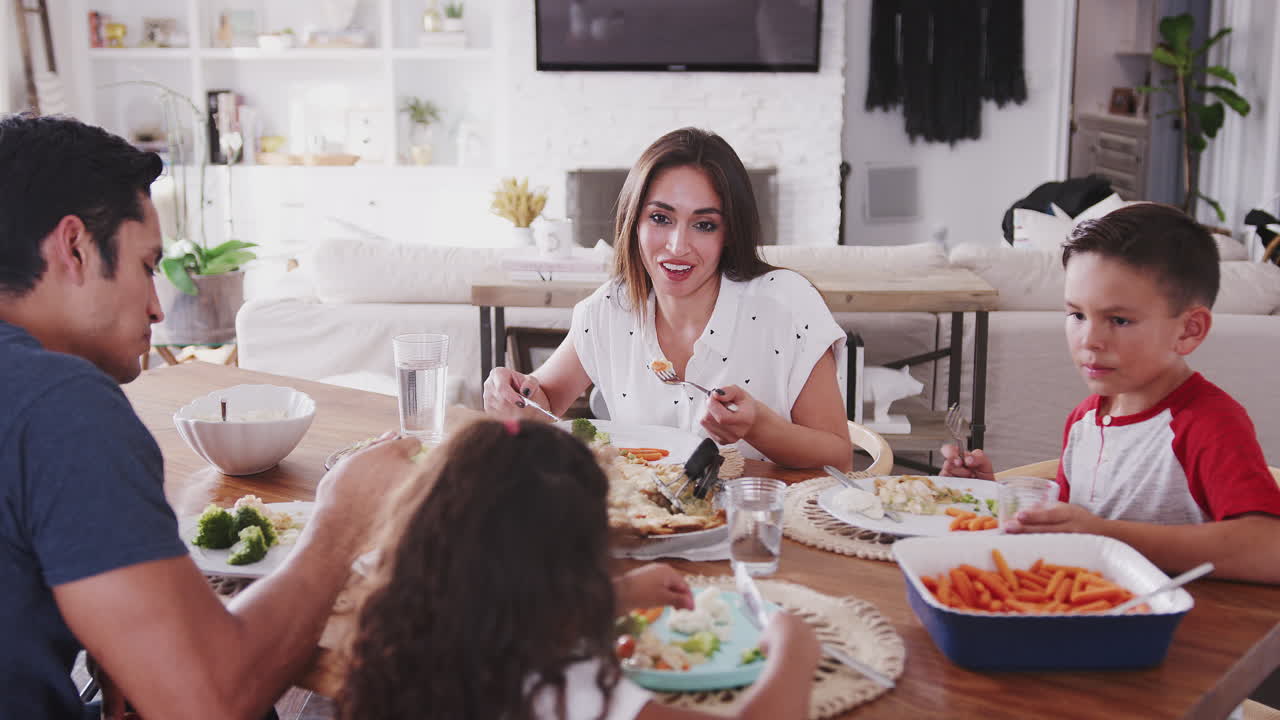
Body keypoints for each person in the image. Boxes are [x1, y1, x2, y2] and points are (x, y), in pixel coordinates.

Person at [0, 113, 420, 718]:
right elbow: (208, 701)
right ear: (75, 247)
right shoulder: (60, 403)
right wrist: (342, 520)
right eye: (148, 267)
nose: (154, 307)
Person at [339, 418, 821, 720]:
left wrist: (613, 598)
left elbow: (506, 602)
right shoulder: (564, 693)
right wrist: (793, 652)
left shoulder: (404, 639)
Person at [941, 203, 1280, 583]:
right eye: (1077, 315)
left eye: (1119, 320)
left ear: (1189, 331)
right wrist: (989, 496)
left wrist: (1105, 535)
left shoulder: (1207, 423)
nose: (1090, 340)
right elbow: (1071, 527)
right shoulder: (1085, 419)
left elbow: (1268, 548)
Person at [484, 127, 853, 470]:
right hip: (649, 526)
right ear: (634, 222)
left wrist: (758, 425)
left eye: (704, 224)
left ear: (730, 233)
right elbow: (543, 398)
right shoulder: (611, 308)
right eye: (661, 218)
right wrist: (515, 395)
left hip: (760, 525)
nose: (677, 247)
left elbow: (839, 456)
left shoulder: (787, 304)